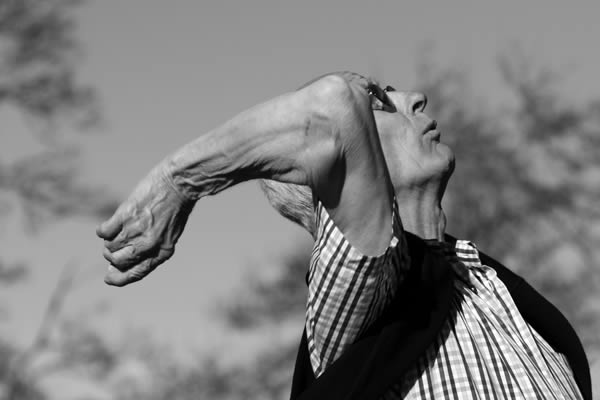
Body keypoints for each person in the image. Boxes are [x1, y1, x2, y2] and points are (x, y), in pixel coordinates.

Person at [96, 72, 591, 399]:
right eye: (381, 103)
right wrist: (180, 180)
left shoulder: (500, 289)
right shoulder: (365, 285)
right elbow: (331, 109)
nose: (415, 98)